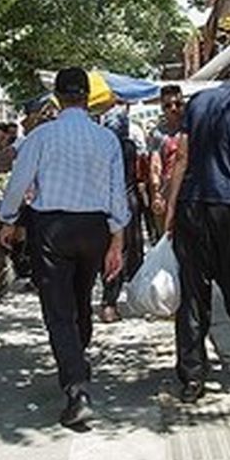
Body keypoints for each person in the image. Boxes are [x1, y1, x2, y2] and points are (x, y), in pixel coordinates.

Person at [0, 68, 129, 428]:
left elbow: (19, 181)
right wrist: (117, 238)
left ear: (57, 98)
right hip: (94, 228)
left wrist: (8, 217)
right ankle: (77, 359)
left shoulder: (41, 136)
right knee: (81, 298)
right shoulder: (106, 139)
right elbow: (117, 192)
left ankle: (77, 388)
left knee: (58, 310)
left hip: (52, 227)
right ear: (87, 97)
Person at [165, 44, 230, 403]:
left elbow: (182, 157)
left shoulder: (198, 101)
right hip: (228, 207)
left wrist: (171, 209)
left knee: (194, 292)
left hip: (192, 205)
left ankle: (193, 377)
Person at [98, 109, 144, 324]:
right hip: (125, 203)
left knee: (107, 252)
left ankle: (109, 300)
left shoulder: (101, 146)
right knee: (121, 252)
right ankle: (110, 302)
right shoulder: (128, 147)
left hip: (104, 204)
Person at [148, 85, 186, 239]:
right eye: (168, 105)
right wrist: (157, 195)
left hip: (190, 193)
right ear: (162, 108)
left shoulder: (192, 128)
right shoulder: (158, 133)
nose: (173, 109)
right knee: (166, 239)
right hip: (167, 193)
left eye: (178, 104)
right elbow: (155, 165)